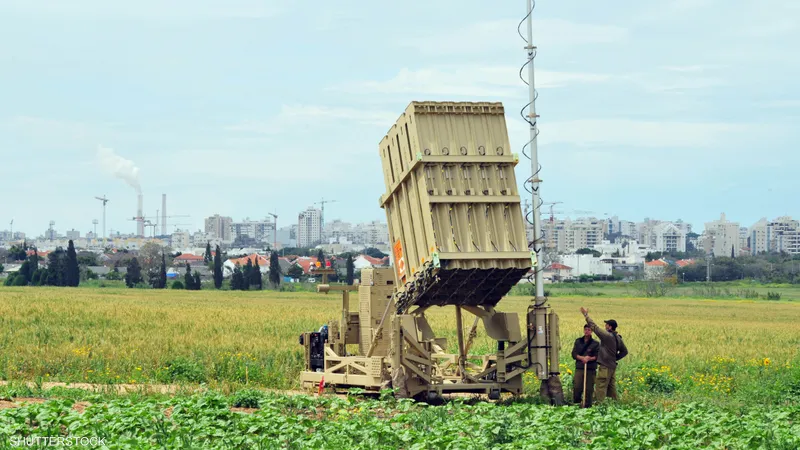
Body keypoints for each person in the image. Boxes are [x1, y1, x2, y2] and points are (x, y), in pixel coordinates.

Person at [580, 307, 628, 402]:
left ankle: (599, 406)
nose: (605, 326)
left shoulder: (607, 336)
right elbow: (624, 351)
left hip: (605, 367)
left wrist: (586, 315)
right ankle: (614, 405)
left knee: (601, 386)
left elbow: (595, 328)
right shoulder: (618, 338)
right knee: (611, 387)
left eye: (606, 325)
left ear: (610, 327)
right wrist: (614, 358)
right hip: (612, 366)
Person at [571, 324, 599, 407]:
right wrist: (581, 358)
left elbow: (598, 356)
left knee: (588, 389)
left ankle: (587, 406)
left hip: (590, 369)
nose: (587, 331)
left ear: (591, 331)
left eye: (589, 330)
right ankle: (576, 404)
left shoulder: (595, 343)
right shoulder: (578, 341)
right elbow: (574, 354)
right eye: (585, 329)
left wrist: (589, 358)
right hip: (580, 367)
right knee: (577, 387)